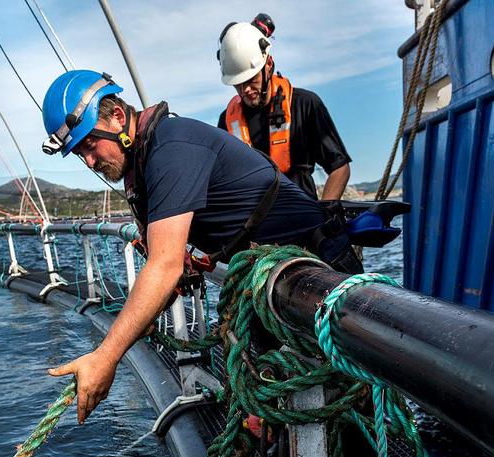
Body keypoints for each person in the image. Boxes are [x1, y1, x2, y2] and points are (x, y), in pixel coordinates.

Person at [40, 70, 359, 423]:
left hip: (319, 272)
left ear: (117, 117)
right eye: (78, 154)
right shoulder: (146, 161)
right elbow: (169, 258)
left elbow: (164, 266)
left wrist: (105, 357)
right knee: (288, 408)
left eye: (89, 145)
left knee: (351, 407)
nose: (89, 162)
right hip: (272, 283)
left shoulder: (171, 148)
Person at [216, 14, 352, 201]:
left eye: (251, 80)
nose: (245, 90)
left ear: (268, 64)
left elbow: (339, 168)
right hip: (252, 224)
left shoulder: (305, 104)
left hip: (301, 217)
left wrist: (323, 218)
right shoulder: (226, 121)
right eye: (237, 84)